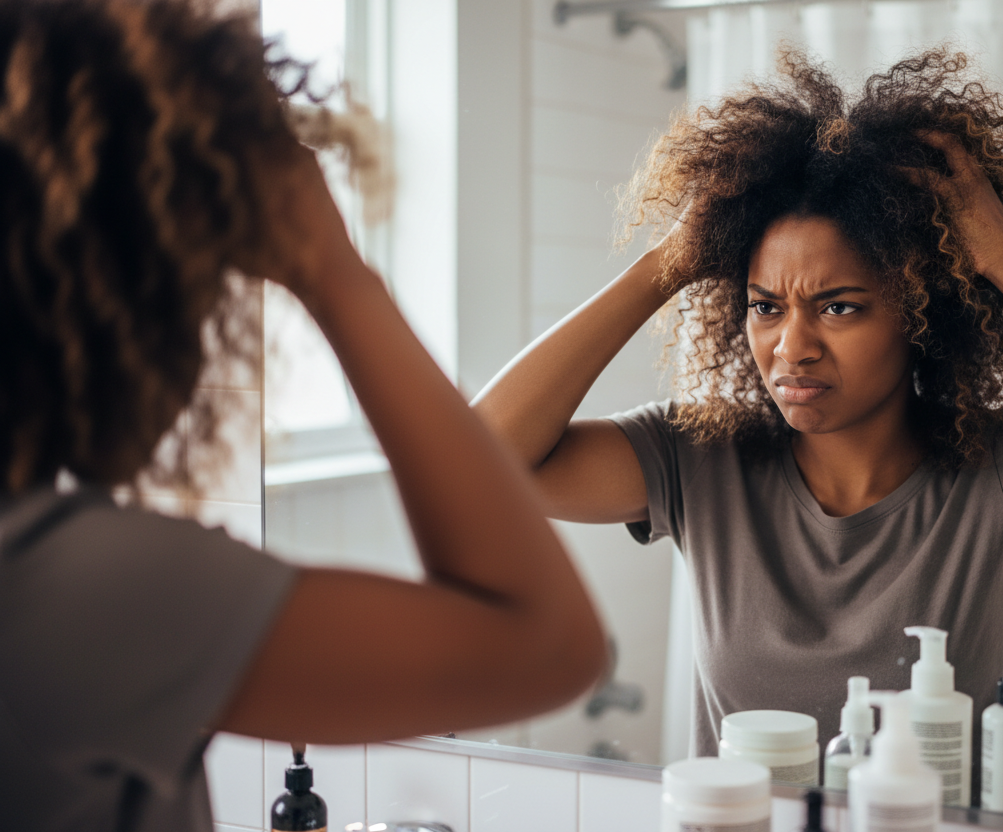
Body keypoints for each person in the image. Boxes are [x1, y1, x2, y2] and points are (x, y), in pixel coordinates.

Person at [473, 49, 1003, 796]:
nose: (791, 346)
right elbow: (480, 463)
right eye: (765, 306)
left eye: (839, 306)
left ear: (919, 314)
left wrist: (1002, 256)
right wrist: (670, 261)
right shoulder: (702, 457)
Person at [0, 2, 607, 830]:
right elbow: (552, 647)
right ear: (113, 297)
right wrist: (331, 272)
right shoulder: (67, 584)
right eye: (205, 283)